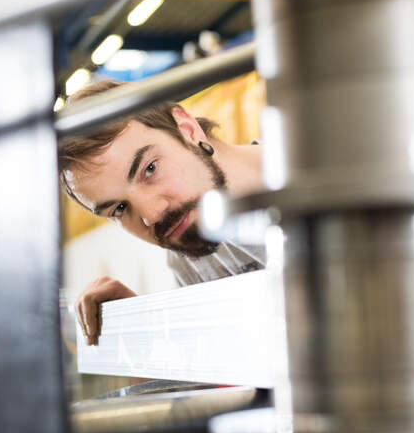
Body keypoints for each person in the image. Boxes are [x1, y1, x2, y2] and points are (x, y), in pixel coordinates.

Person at [58, 79, 265, 345]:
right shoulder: (189, 255)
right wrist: (148, 326)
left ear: (188, 130)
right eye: (120, 208)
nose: (151, 216)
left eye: (150, 169)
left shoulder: (324, 172)